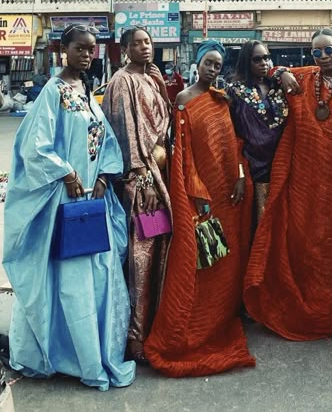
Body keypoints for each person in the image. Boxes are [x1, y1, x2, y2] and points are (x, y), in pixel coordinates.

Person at [3, 24, 135, 390]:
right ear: (65, 49)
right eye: (80, 49)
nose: (87, 55)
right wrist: (67, 174)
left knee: (97, 275)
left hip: (92, 200)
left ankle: (90, 352)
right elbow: (35, 146)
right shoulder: (53, 91)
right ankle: (70, 356)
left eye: (92, 49)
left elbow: (105, 139)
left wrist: (105, 177)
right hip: (66, 203)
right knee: (71, 279)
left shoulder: (85, 91)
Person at [144, 40, 256, 376]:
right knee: (202, 262)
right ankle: (200, 323)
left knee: (228, 259)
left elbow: (233, 143)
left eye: (218, 65)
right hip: (201, 194)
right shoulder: (183, 100)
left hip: (228, 193)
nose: (212, 69)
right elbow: (183, 153)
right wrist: (196, 190)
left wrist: (238, 177)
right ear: (197, 63)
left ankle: (225, 314)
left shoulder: (222, 99)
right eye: (208, 63)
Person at [243, 28, 332, 340]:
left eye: (327, 51)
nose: (321, 57)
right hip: (306, 177)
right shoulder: (306, 77)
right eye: (316, 52)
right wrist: (281, 71)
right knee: (305, 239)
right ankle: (306, 299)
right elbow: (272, 68)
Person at [102, 27, 171, 364]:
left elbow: (164, 126)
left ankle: (154, 327)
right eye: (138, 43)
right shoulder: (121, 82)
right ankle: (135, 338)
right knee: (139, 261)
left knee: (157, 254)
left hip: (160, 179)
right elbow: (123, 133)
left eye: (149, 42)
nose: (145, 47)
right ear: (125, 49)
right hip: (141, 184)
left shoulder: (150, 78)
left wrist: (160, 86)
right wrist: (139, 179)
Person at [227, 40, 288, 222]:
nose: (264, 63)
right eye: (257, 59)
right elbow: (230, 135)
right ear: (247, 62)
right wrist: (240, 171)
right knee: (262, 223)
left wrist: (282, 71)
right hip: (255, 169)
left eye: (267, 58)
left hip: (284, 165)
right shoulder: (235, 92)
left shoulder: (278, 87)